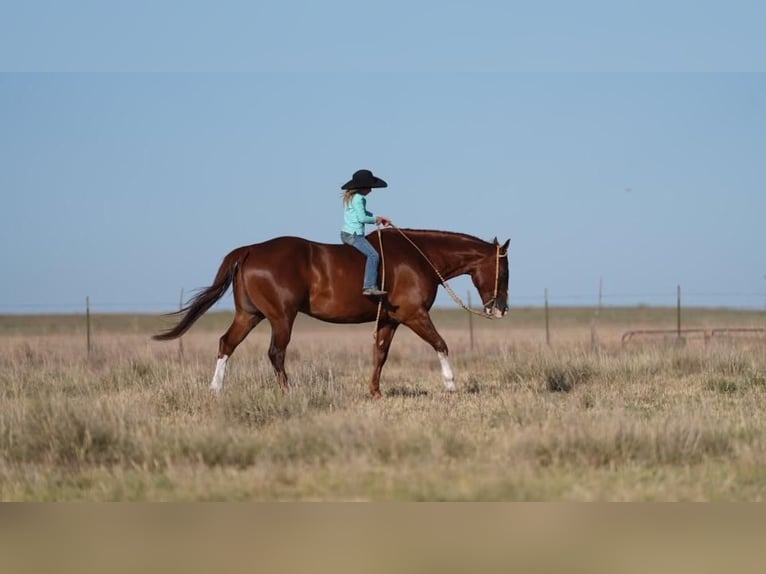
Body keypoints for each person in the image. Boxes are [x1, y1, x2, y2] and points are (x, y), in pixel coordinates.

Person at [340, 169, 393, 296]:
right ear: (363, 187)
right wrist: (376, 220)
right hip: (354, 235)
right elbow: (362, 218)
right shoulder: (359, 198)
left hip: (346, 233)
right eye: (370, 186)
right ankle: (369, 286)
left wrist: (379, 217)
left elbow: (363, 213)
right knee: (374, 255)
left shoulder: (352, 197)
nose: (371, 190)